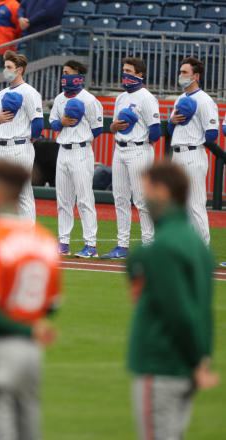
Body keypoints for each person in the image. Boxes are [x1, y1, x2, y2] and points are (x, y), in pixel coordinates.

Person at [0, 161, 59, 440]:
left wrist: (24, 328)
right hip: (31, 353)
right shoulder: (43, 238)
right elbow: (52, 304)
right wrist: (31, 326)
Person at [126, 161, 218, 440]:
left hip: (163, 363)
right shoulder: (196, 242)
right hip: (187, 364)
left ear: (163, 191)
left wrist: (193, 360)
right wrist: (202, 358)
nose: (145, 198)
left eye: (148, 190)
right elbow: (202, 310)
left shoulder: (164, 246)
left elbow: (180, 313)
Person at [101, 57, 160, 260]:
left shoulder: (147, 97)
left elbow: (155, 131)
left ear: (139, 74)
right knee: (120, 199)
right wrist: (114, 127)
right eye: (123, 70)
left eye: (128, 70)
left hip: (139, 149)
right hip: (120, 148)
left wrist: (143, 144)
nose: (124, 74)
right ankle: (122, 245)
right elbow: (113, 126)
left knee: (142, 200)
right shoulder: (120, 98)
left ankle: (149, 247)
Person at [49, 59, 103, 258]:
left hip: (81, 151)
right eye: (63, 72)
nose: (64, 76)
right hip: (62, 150)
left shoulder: (89, 100)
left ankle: (91, 245)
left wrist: (81, 135)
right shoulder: (59, 99)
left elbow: (97, 128)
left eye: (68, 72)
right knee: (63, 200)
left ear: (78, 76)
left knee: (84, 199)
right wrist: (62, 122)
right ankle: (63, 242)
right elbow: (53, 123)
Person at [167, 56, 218, 245]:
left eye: (184, 72)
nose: (181, 75)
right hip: (177, 153)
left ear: (196, 76)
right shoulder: (180, 99)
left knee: (195, 204)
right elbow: (171, 130)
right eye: (180, 72)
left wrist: (195, 138)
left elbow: (212, 133)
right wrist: (172, 122)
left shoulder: (205, 100)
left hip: (193, 152)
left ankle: (202, 249)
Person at [0, 50, 43, 222]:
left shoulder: (29, 92)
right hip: (1, 146)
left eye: (9, 67)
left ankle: (29, 237)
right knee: (2, 193)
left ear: (19, 69)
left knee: (23, 193)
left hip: (20, 145)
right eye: (5, 66)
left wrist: (33, 137)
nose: (5, 70)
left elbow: (37, 122)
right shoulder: (1, 94)